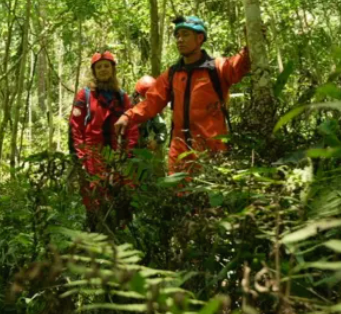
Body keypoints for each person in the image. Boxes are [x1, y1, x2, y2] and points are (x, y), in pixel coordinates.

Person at [114, 16, 251, 174]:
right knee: (179, 195)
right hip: (179, 152)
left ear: (200, 38)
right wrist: (128, 116)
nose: (179, 40)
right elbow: (152, 102)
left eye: (185, 35)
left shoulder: (217, 68)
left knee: (211, 195)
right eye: (177, 36)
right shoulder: (172, 74)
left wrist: (251, 45)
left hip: (212, 150)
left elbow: (239, 66)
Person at [69, 51, 139, 230]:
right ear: (94, 71)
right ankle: (95, 233)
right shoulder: (84, 95)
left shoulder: (122, 97)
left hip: (117, 153)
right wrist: (80, 155)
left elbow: (131, 127)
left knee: (121, 195)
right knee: (94, 196)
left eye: (106, 66)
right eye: (98, 67)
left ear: (113, 69)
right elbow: (75, 127)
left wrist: (127, 153)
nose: (103, 70)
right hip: (92, 153)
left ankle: (121, 234)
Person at [133, 76, 167, 151]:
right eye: (144, 98)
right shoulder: (126, 105)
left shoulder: (152, 109)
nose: (147, 103)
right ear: (136, 95)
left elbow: (162, 130)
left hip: (141, 151)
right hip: (123, 150)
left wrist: (156, 141)